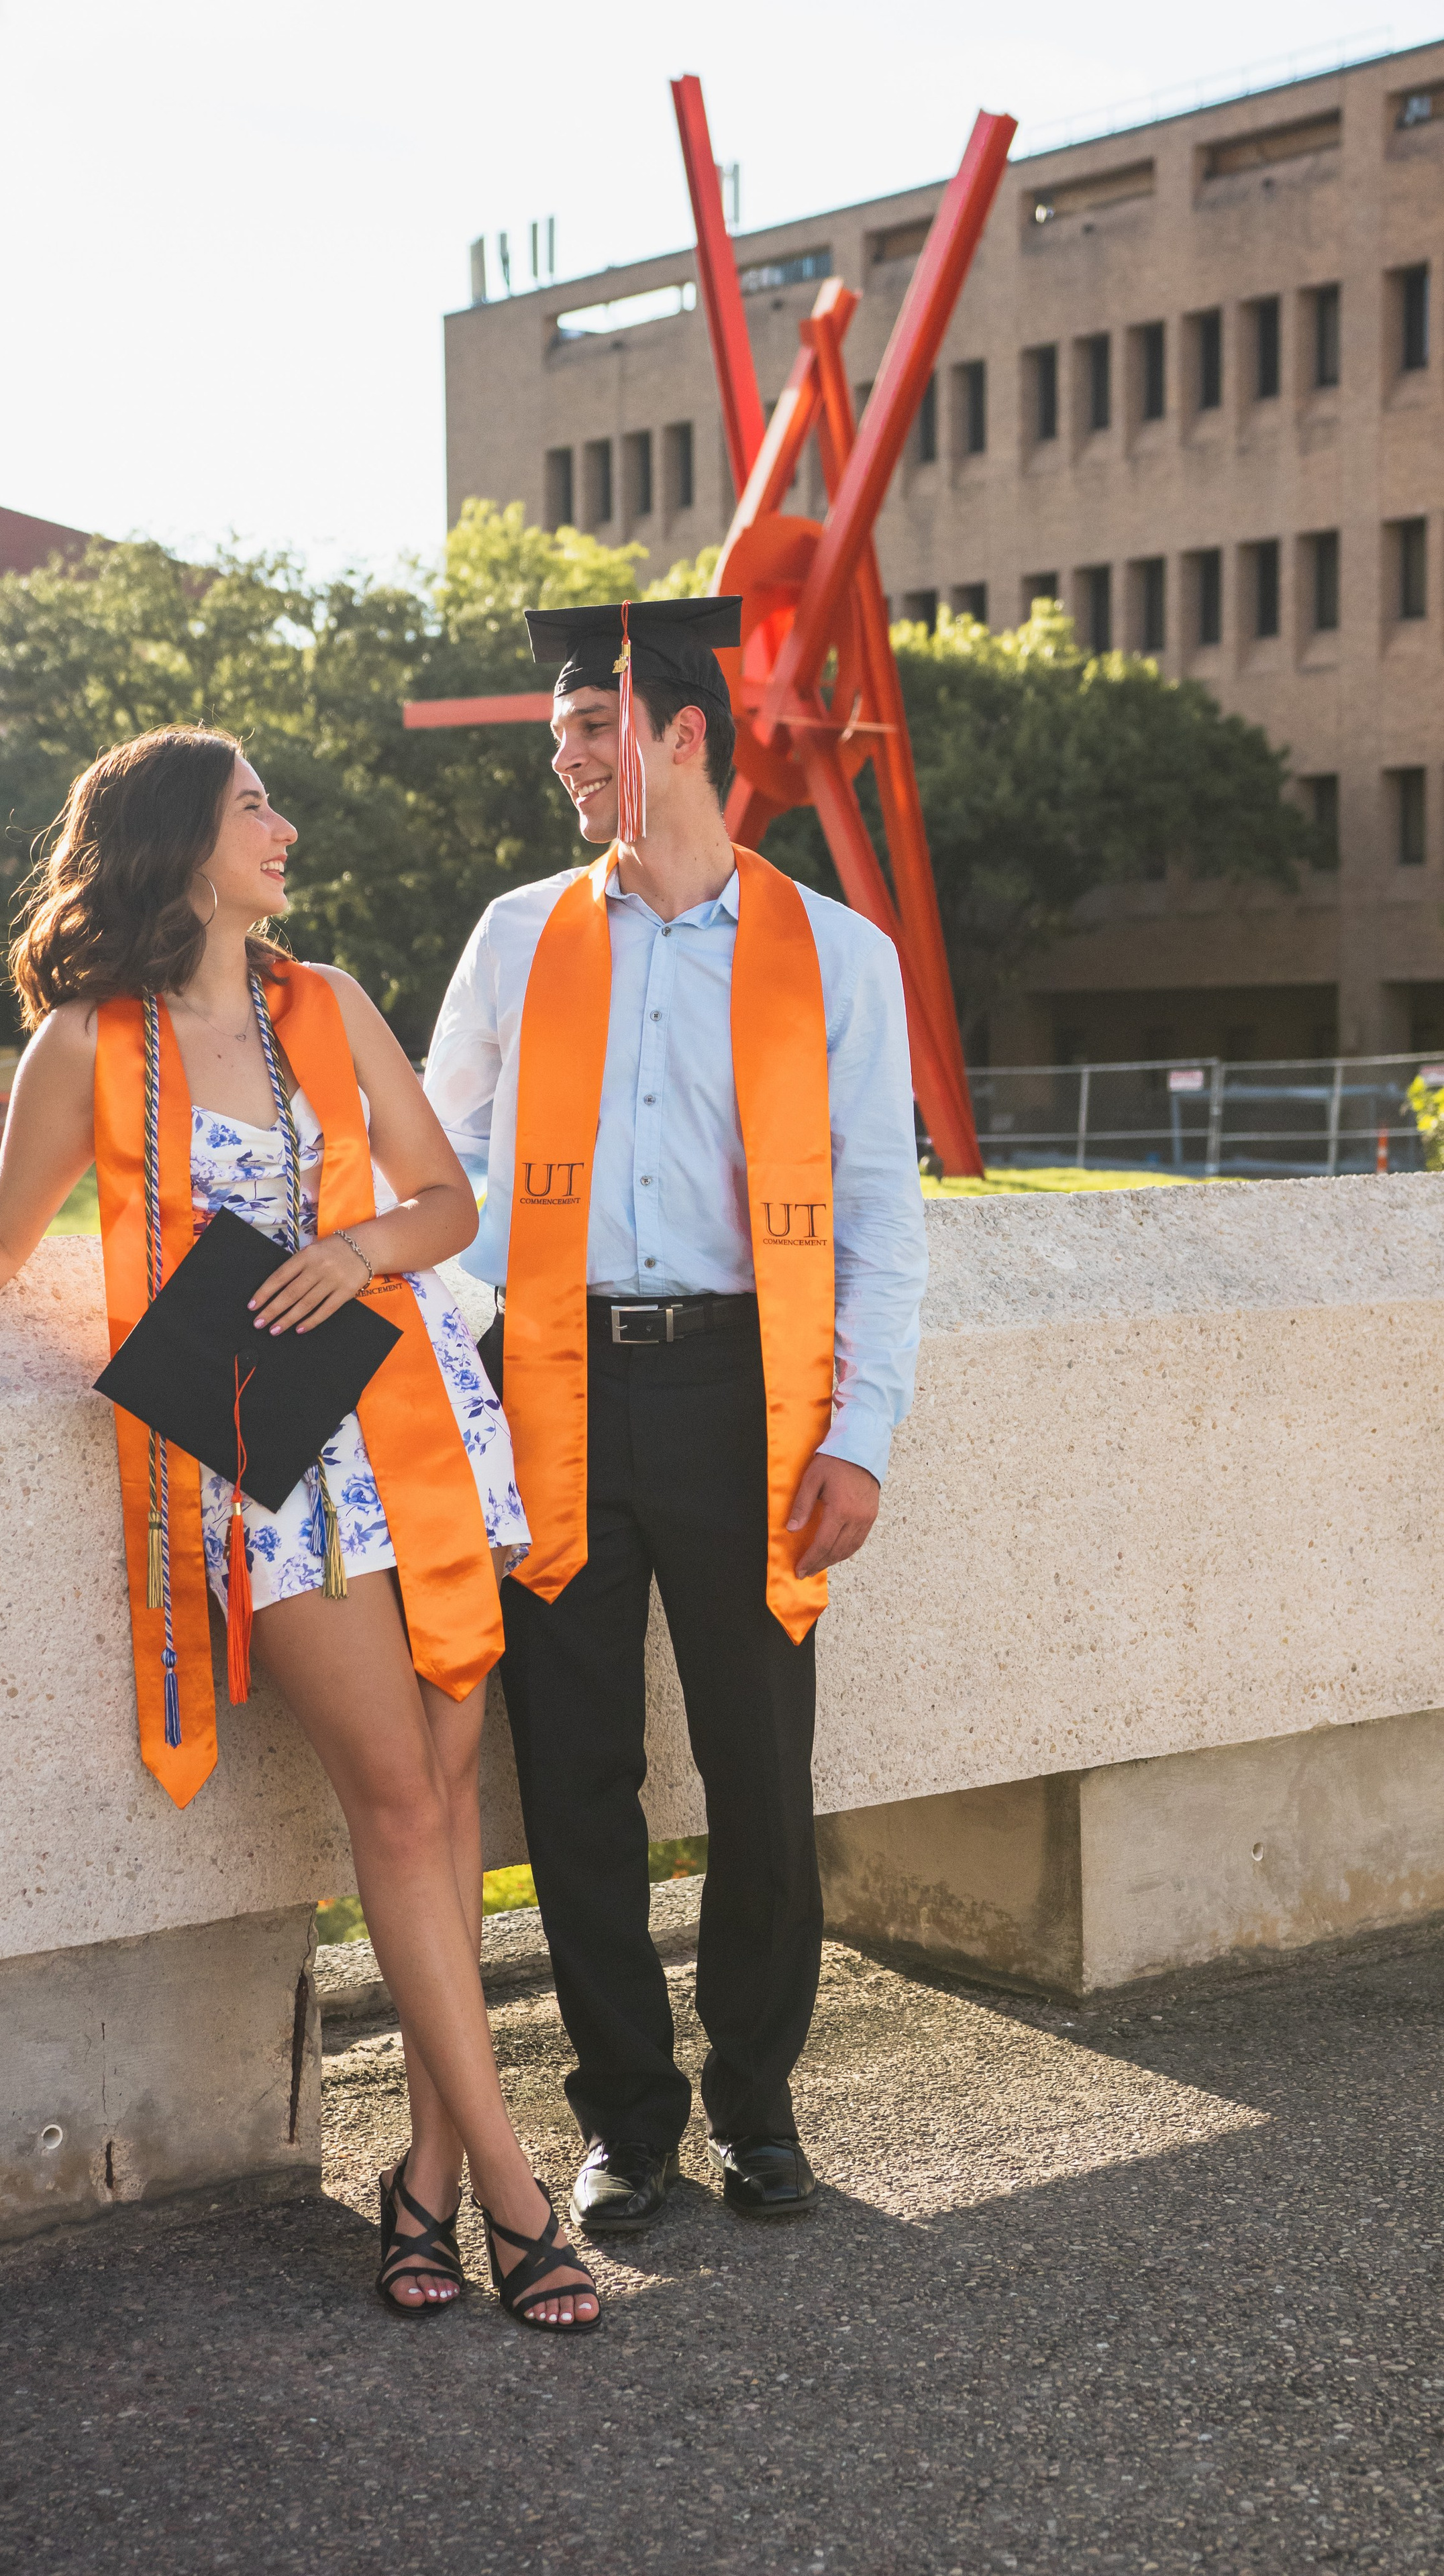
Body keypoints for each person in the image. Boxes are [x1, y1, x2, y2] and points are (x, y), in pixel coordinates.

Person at [0, 725, 602, 2334]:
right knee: (393, 1801)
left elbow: (445, 1205)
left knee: (447, 1800)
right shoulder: (87, 1044)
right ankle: (512, 2187)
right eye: (255, 805)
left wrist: (351, 1251)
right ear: (183, 844)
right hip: (257, 1459)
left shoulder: (327, 1004)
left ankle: (423, 2177)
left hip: (411, 1428)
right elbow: (2, 1237)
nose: (285, 825)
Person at [423, 597, 929, 2233]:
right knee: (574, 1775)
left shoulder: (835, 954)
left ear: (682, 735)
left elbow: (878, 1211)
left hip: (743, 1395)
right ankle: (626, 2122)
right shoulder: (517, 937)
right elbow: (444, 1168)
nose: (564, 759)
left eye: (590, 729)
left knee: (757, 1769)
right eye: (558, 734)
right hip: (551, 1386)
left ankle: (757, 2107)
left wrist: (860, 1431)